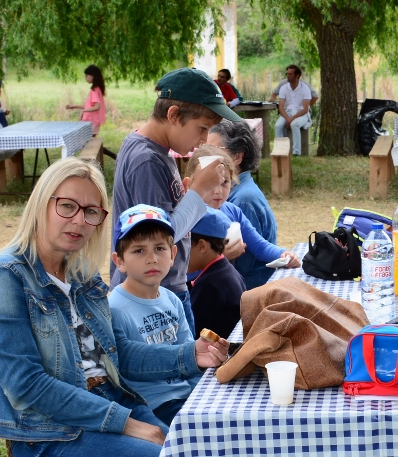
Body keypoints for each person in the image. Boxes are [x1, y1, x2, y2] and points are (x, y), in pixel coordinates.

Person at [0, 158, 229, 457]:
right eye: (67, 206)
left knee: (200, 446)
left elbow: (116, 353)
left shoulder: (81, 277)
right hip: (51, 431)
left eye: (91, 212)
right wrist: (125, 424)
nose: (79, 221)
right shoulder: (5, 276)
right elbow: (26, 385)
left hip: (113, 397)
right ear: (40, 205)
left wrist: (189, 354)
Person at [110, 67, 243, 333]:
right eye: (202, 128)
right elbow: (161, 235)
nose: (204, 139)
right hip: (150, 298)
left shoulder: (157, 151)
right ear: (173, 115)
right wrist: (197, 192)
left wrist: (196, 194)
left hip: (165, 289)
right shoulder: (146, 159)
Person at [109, 205, 201, 426]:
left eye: (160, 248)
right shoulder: (114, 308)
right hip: (152, 407)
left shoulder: (172, 300)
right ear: (119, 261)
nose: (152, 259)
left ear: (173, 255)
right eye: (139, 251)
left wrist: (203, 397)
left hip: (186, 399)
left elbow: (191, 354)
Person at [184, 146, 300, 290]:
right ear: (189, 183)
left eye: (224, 182)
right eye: (210, 183)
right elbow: (178, 270)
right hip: (197, 295)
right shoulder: (185, 218)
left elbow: (260, 246)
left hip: (227, 291)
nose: (218, 191)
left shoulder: (233, 211)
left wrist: (283, 254)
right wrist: (218, 258)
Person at [207, 120, 280, 287]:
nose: (206, 156)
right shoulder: (227, 194)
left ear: (238, 157)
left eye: (214, 150)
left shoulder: (242, 200)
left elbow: (242, 266)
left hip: (249, 289)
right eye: (204, 148)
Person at [188, 207, 247, 338]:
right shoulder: (226, 271)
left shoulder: (209, 285)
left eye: (182, 245)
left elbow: (191, 332)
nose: (176, 253)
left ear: (202, 246)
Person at [273, 64, 312, 156]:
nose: (288, 76)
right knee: (278, 125)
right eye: (287, 74)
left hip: (301, 114)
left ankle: (296, 152)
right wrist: (288, 118)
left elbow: (305, 109)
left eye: (290, 74)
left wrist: (291, 119)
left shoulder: (305, 88)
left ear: (297, 76)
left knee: (295, 124)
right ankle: (280, 151)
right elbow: (281, 107)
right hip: (288, 113)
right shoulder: (284, 88)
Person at [66, 65, 107, 136]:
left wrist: (84, 111)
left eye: (87, 76)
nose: (86, 78)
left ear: (93, 76)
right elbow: (90, 106)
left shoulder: (94, 90)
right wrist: (74, 106)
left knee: (88, 142)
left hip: (91, 121)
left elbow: (97, 106)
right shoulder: (98, 89)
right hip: (92, 121)